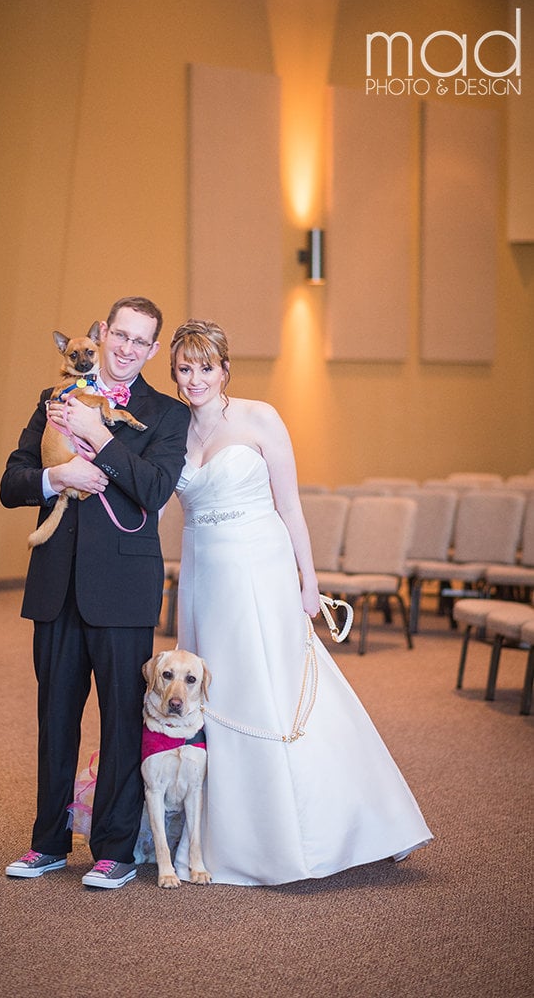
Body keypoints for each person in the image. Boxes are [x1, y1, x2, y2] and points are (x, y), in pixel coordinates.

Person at [167, 319, 432, 887]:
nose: (194, 379)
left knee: (280, 687)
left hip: (262, 571)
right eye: (184, 369)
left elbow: (290, 507)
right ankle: (222, 834)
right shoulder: (171, 432)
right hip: (204, 577)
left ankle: (358, 822)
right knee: (218, 689)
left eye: (204, 367)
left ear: (224, 368)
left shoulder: (261, 417)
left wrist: (308, 581)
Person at [0, 296, 190, 889]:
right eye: (121, 336)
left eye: (142, 342)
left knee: (120, 723)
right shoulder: (53, 399)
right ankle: (47, 843)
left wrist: (98, 439)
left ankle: (113, 848)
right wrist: (58, 475)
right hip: (55, 587)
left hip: (124, 590)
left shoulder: (167, 414)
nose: (127, 349)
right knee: (54, 719)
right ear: (104, 334)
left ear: (154, 350)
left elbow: (155, 490)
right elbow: (12, 483)